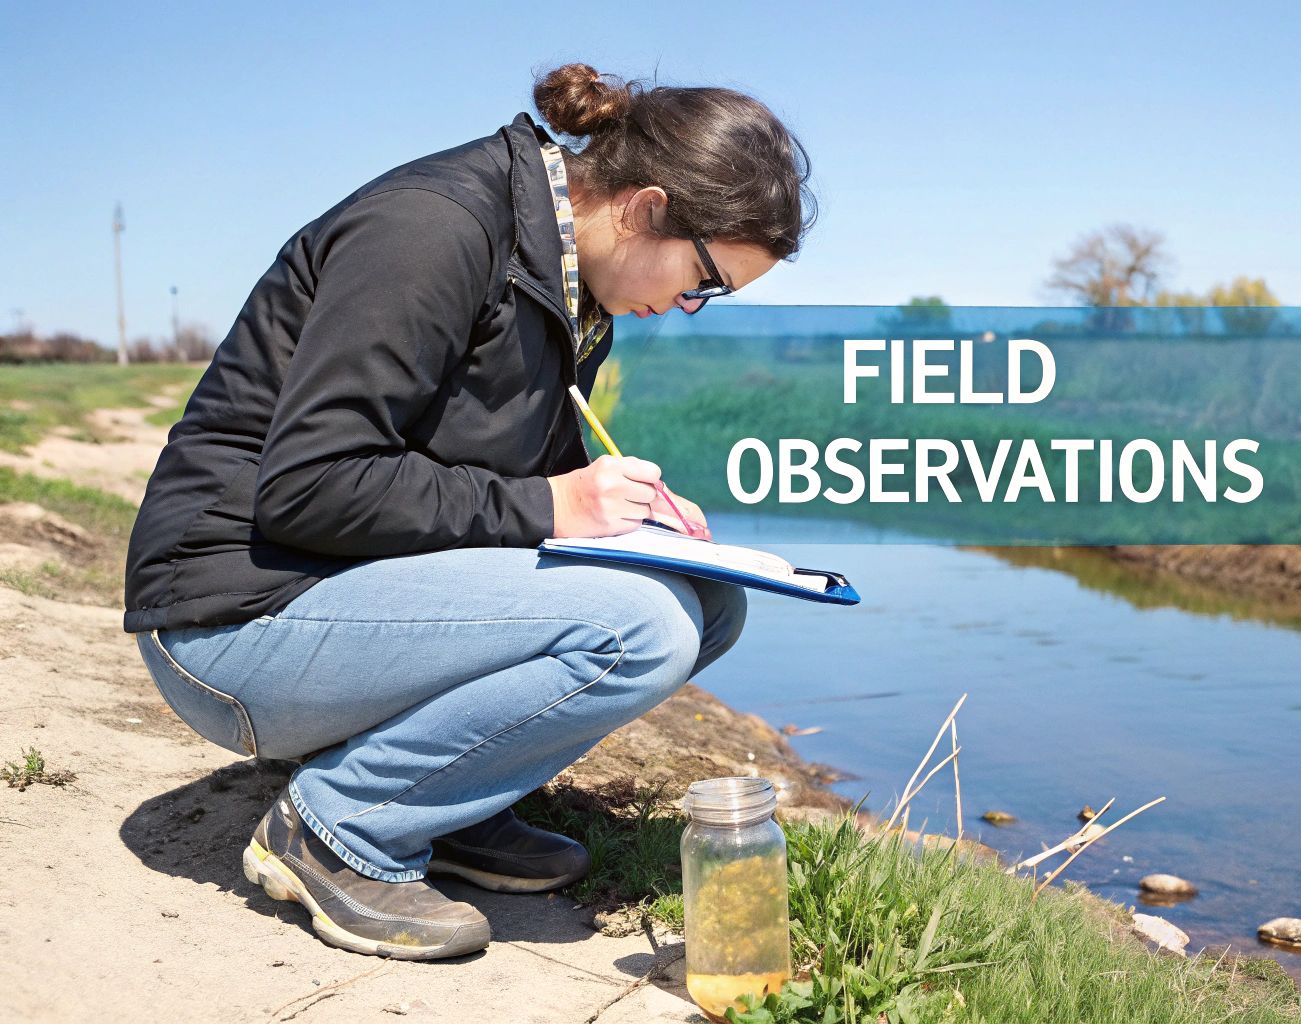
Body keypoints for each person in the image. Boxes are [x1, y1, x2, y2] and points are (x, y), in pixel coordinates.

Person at [122, 63, 814, 961]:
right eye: (703, 280)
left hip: (338, 591)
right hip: (231, 624)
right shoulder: (434, 229)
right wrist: (549, 503)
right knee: (640, 629)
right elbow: (311, 483)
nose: (684, 310)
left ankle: (449, 801)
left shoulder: (569, 277)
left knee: (707, 602)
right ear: (645, 207)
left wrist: (621, 512)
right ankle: (339, 827)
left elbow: (479, 470)